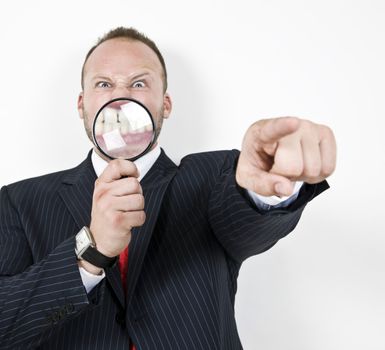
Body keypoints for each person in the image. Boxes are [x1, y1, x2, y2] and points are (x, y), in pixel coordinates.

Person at [0, 27, 336, 350]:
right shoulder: (20, 201)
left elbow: (245, 219)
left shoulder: (214, 178)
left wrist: (265, 187)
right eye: (104, 83)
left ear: (166, 104)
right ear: (81, 105)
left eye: (139, 82)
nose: (121, 95)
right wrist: (91, 251)